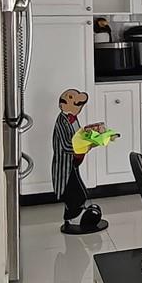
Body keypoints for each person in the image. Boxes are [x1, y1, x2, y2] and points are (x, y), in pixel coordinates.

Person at [51, 88, 108, 234]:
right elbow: (66, 145)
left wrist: (92, 134)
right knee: (74, 191)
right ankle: (73, 218)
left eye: (80, 107)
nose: (79, 109)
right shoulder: (62, 122)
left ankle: (76, 213)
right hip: (65, 165)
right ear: (63, 105)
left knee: (78, 189)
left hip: (74, 162)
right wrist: (89, 144)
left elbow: (78, 136)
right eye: (77, 106)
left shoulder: (72, 119)